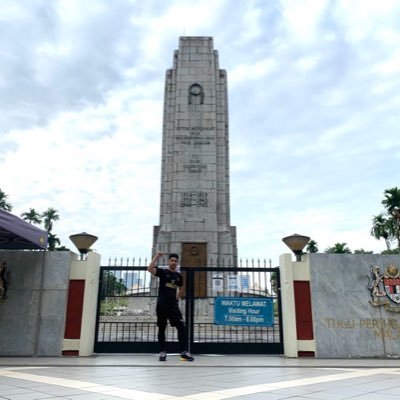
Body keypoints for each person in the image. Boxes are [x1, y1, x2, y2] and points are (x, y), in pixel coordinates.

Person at [147, 251, 194, 362]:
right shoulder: (163, 272)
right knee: (162, 328)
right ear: (169, 262)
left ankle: (183, 352)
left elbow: (181, 288)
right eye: (172, 260)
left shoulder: (178, 276)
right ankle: (162, 352)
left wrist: (177, 297)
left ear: (177, 263)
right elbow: (149, 269)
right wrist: (156, 257)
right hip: (162, 305)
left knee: (181, 327)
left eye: (175, 261)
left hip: (173, 306)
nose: (173, 262)